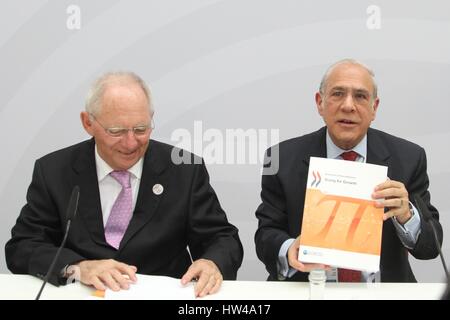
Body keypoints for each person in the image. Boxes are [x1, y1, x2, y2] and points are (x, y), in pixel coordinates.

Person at [5, 71, 243, 297]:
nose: (131, 143)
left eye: (141, 129)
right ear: (88, 123)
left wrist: (212, 263)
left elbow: (223, 238)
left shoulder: (184, 170)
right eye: (116, 131)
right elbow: (23, 246)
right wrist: (77, 267)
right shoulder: (54, 171)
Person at [255, 59, 442, 282]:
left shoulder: (408, 158)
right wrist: (289, 248)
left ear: (374, 108)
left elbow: (431, 248)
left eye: (361, 96)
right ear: (320, 103)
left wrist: (406, 215)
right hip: (310, 290)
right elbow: (266, 235)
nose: (348, 106)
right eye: (338, 94)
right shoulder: (282, 158)